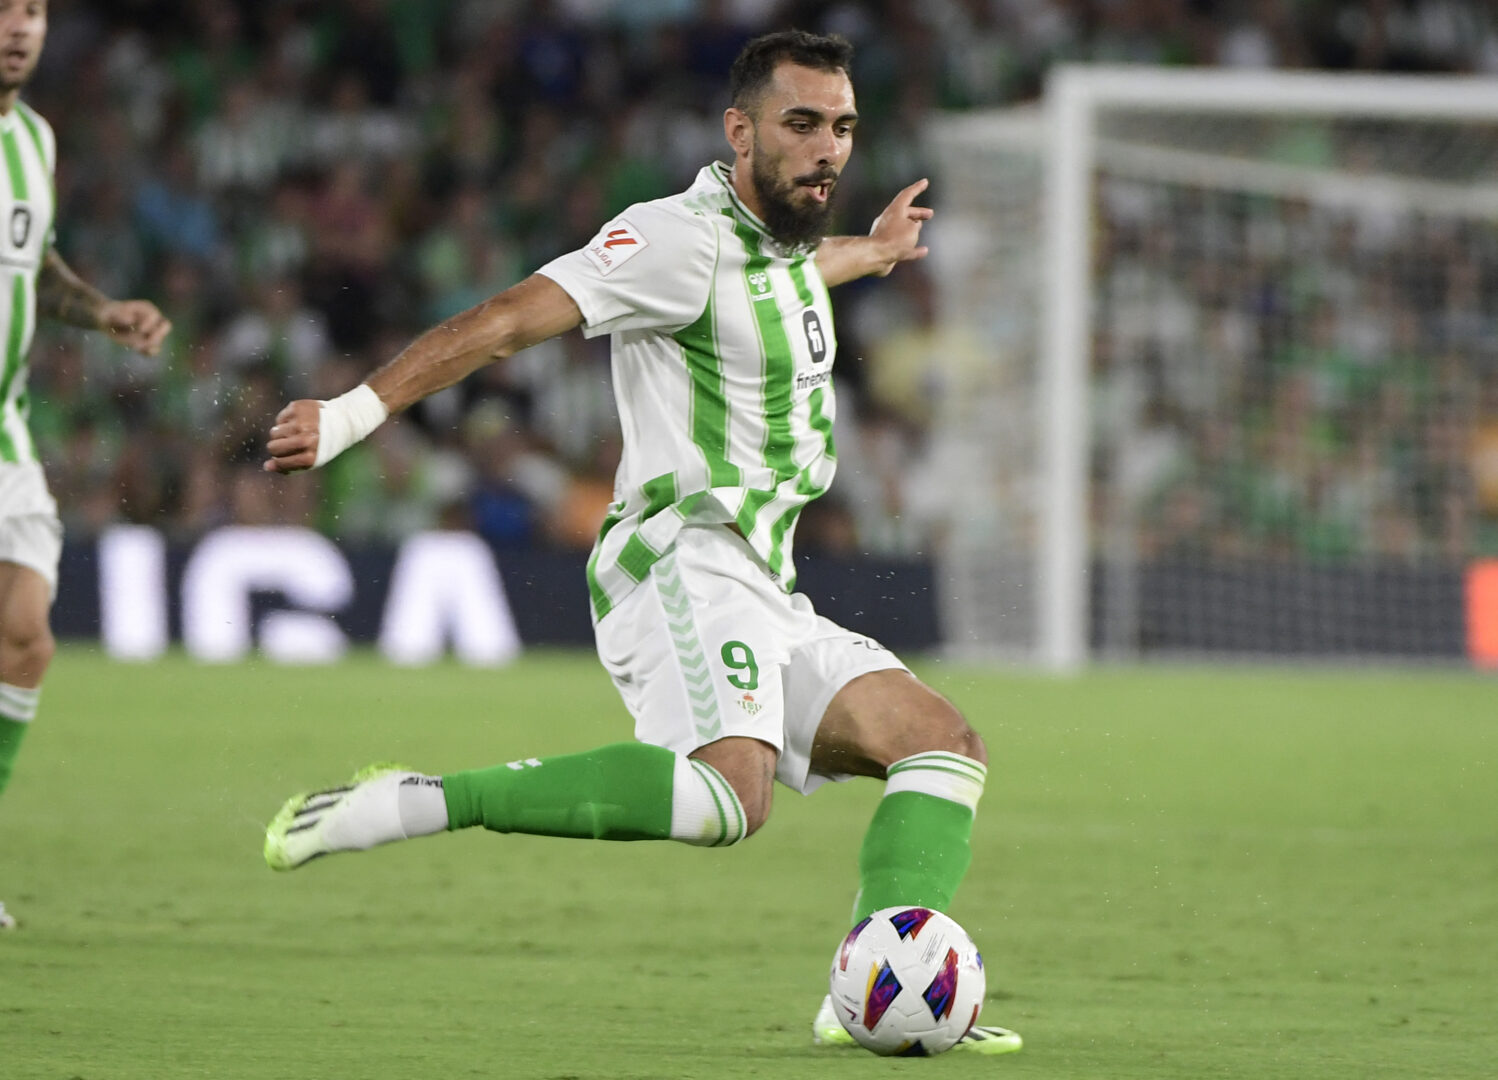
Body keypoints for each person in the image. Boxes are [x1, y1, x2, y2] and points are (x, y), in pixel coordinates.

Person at [260, 30, 1018, 1055]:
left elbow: (787, 282)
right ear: (738, 132)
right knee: (725, 800)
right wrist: (353, 412)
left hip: (760, 578)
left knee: (941, 746)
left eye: (841, 127)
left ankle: (873, 981)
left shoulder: (787, 250)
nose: (827, 148)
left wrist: (873, 253)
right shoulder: (672, 241)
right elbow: (505, 321)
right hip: (676, 560)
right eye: (801, 125)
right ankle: (422, 801)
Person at [0, 0, 173, 931]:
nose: (20, 26)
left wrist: (101, 309)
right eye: (5, 8)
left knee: (26, 635)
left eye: (33, 8)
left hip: (5, 435)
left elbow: (34, 267)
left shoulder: (33, 139)